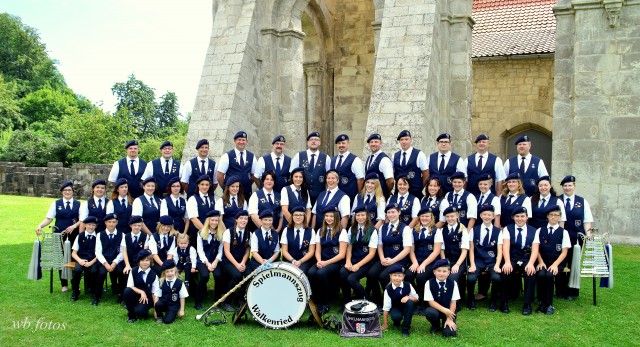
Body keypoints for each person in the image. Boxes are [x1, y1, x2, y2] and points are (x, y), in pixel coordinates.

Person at [35, 181, 81, 292]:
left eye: (69, 190)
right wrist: (40, 226)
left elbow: (82, 220)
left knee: (72, 258)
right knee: (61, 260)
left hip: (74, 236)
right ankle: (64, 284)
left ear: (73, 191)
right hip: (59, 236)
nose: (67, 192)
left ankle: (74, 283)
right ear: (61, 192)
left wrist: (74, 226)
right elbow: (49, 218)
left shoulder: (79, 204)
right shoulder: (56, 204)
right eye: (65, 190)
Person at [367, 203, 412, 306]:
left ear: (399, 212)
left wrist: (393, 261)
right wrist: (382, 258)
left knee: (383, 276)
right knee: (371, 274)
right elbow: (380, 245)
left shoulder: (405, 228)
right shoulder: (383, 227)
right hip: (385, 258)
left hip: (399, 260)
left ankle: (393, 300)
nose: (391, 215)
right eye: (388, 212)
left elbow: (407, 249)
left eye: (393, 212)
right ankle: (377, 300)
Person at [558, 175, 594, 299]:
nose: (567, 188)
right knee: (561, 263)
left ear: (574, 186)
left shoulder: (582, 201)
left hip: (576, 240)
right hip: (561, 239)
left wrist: (588, 235)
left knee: (574, 264)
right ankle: (560, 290)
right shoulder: (557, 200)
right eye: (565, 186)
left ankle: (572, 291)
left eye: (570, 185)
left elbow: (587, 221)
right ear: (562, 187)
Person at [308, 206, 348, 314]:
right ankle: (316, 299)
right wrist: (320, 261)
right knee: (311, 272)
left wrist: (325, 263)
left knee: (321, 273)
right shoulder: (320, 231)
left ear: (336, 218)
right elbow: (317, 250)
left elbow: (342, 254)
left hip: (336, 262)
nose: (329, 218)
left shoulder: (342, 232)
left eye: (331, 216)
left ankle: (324, 303)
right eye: (326, 216)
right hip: (323, 260)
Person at [500, 206, 539, 315]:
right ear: (513, 217)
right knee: (505, 272)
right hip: (512, 257)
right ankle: (504, 302)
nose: (520, 219)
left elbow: (535, 249)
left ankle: (527, 304)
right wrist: (507, 262)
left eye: (522, 216)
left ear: (527, 217)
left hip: (526, 258)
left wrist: (531, 264)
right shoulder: (508, 229)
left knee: (530, 274)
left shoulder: (534, 230)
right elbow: (506, 247)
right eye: (517, 216)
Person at [405, 207, 443, 314]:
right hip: (416, 260)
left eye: (427, 216)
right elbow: (411, 249)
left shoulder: (437, 231)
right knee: (408, 276)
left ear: (431, 217)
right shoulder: (414, 231)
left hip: (431, 262)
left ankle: (424, 302)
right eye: (422, 216)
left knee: (421, 278)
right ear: (419, 218)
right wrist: (415, 263)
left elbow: (436, 251)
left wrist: (423, 264)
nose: (425, 218)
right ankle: (416, 296)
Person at [340, 204, 378, 306]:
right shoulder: (352, 229)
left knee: (351, 279)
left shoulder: (372, 230)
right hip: (353, 259)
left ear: (367, 216)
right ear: (355, 217)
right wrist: (348, 261)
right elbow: (349, 247)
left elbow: (372, 253)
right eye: (358, 215)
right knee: (343, 273)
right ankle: (347, 302)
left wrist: (358, 265)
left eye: (362, 215)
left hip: (366, 262)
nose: (360, 217)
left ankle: (368, 301)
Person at [536, 204, 570, 315]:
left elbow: (564, 251)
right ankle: (541, 303)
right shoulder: (540, 230)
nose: (553, 217)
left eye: (556, 215)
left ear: (560, 217)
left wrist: (555, 264)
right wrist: (540, 261)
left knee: (549, 275)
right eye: (551, 215)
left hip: (557, 262)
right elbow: (536, 249)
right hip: (543, 261)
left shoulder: (564, 232)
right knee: (541, 275)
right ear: (547, 217)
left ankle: (549, 304)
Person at [467, 205, 502, 311]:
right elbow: (471, 249)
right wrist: (472, 264)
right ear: (481, 215)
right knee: (471, 278)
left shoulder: (498, 231)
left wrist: (497, 265)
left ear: (493, 217)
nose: (487, 217)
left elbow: (500, 251)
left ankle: (493, 301)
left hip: (491, 261)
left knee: (496, 278)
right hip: (478, 261)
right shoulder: (474, 230)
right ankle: (471, 299)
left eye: (489, 215)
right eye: (484, 214)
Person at [220, 210, 252, 311]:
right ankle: (226, 301)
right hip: (229, 261)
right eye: (241, 218)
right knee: (237, 275)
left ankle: (239, 298)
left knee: (249, 276)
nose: (243, 220)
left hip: (242, 261)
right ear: (236, 220)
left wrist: (242, 263)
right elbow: (227, 252)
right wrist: (237, 265)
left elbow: (248, 250)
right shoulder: (228, 232)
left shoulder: (249, 233)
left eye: (245, 219)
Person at [439, 206, 469, 308]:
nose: (450, 219)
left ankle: (455, 303)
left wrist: (457, 265)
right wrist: (444, 262)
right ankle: (443, 300)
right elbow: (441, 249)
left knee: (452, 277)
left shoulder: (463, 229)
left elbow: (464, 250)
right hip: (447, 260)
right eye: (447, 217)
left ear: (457, 216)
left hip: (459, 261)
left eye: (452, 216)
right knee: (441, 274)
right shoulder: (442, 230)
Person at [290, 131, 331, 205]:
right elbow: (291, 174)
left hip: (320, 195)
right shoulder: (299, 156)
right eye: (311, 139)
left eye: (316, 139)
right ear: (307, 142)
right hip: (302, 194)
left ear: (320, 143)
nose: (314, 141)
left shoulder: (326, 158)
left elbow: (330, 176)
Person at [195, 210, 225, 310]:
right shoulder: (200, 233)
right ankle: (198, 302)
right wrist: (207, 263)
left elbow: (221, 250)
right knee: (204, 276)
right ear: (208, 221)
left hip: (216, 259)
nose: (214, 222)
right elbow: (200, 251)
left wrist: (216, 261)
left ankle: (217, 301)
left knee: (218, 275)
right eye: (212, 220)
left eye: (216, 220)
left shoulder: (221, 233)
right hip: (203, 260)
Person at [216, 131, 257, 200]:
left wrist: (246, 183)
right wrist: (226, 188)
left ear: (246, 141)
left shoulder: (252, 157)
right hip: (230, 194)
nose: (241, 142)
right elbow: (220, 176)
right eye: (239, 140)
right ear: (235, 141)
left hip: (246, 194)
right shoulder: (227, 156)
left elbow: (254, 176)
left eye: (243, 140)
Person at [381, 264, 419, 338]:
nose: (397, 278)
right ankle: (396, 322)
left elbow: (416, 298)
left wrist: (408, 297)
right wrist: (385, 323)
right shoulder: (388, 289)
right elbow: (386, 307)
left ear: (403, 277)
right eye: (394, 275)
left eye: (399, 276)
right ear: (390, 276)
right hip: (395, 307)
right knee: (396, 316)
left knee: (410, 302)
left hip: (406, 307)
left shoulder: (408, 285)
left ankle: (405, 328)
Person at [424, 258, 459, 337]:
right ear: (434, 272)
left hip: (449, 311)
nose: (441, 273)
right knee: (430, 312)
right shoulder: (428, 283)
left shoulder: (453, 283)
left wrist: (449, 318)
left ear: (449, 273)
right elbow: (430, 301)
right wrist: (444, 310)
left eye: (444, 271)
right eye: (439, 271)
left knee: (449, 334)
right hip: (436, 309)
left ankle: (446, 323)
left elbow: (453, 302)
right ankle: (435, 325)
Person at [96, 213, 125, 305]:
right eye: (109, 222)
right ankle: (97, 296)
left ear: (117, 223)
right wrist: (105, 264)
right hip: (103, 261)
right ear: (105, 223)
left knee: (121, 272)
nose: (111, 224)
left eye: (114, 222)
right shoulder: (100, 235)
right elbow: (98, 252)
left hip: (116, 260)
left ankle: (121, 295)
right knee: (101, 273)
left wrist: (115, 262)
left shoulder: (122, 235)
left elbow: (122, 251)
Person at [70, 216, 99, 303]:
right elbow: (74, 253)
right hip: (81, 259)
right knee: (77, 270)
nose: (91, 227)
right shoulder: (80, 236)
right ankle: (75, 291)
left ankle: (93, 291)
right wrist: (80, 261)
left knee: (94, 271)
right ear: (85, 225)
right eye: (89, 225)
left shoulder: (98, 237)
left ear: (96, 226)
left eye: (93, 225)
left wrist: (91, 262)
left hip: (93, 260)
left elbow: (99, 253)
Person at [123, 249, 158, 323]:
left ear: (150, 261)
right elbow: (130, 286)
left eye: (147, 260)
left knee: (141, 313)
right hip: (136, 295)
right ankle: (131, 316)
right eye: (142, 260)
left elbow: (155, 293)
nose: (144, 262)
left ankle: (139, 308)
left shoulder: (154, 275)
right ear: (139, 261)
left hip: (147, 298)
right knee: (127, 291)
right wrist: (141, 292)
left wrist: (156, 310)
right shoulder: (133, 271)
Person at [280, 206, 316, 274]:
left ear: (304, 216)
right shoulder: (286, 230)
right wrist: (292, 260)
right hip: (289, 260)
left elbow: (311, 251)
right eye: (295, 215)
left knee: (298, 273)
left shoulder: (311, 231)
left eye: (300, 215)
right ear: (292, 217)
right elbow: (284, 250)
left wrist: (300, 261)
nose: (298, 217)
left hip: (304, 261)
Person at [393, 130, 429, 199]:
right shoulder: (395, 156)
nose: (404, 142)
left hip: (415, 193)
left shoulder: (419, 154)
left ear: (411, 139)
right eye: (401, 140)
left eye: (406, 139)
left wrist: (420, 188)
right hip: (399, 193)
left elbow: (426, 174)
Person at [330, 134, 365, 202]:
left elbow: (360, 179)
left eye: (343, 143)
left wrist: (358, 196)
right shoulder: (333, 160)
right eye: (339, 143)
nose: (341, 145)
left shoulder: (355, 160)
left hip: (350, 197)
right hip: (335, 197)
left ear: (348, 144)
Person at [153, 259, 188, 324]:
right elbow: (157, 295)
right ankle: (159, 316)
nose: (170, 273)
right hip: (164, 303)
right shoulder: (161, 282)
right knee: (158, 304)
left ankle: (171, 313)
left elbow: (182, 297)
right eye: (167, 272)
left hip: (173, 305)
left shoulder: (180, 283)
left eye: (171, 271)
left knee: (167, 321)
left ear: (175, 271)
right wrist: (155, 310)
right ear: (164, 273)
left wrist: (182, 310)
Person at [187, 175, 217, 246]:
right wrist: (205, 232)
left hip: (212, 234)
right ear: (198, 185)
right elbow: (193, 218)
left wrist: (212, 232)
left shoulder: (213, 199)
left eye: (207, 185)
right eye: (202, 184)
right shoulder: (192, 199)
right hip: (198, 234)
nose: (204, 187)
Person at [364, 133, 394, 198]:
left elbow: (390, 181)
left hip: (380, 196)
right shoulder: (369, 158)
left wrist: (386, 192)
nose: (373, 144)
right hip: (370, 196)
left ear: (381, 143)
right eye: (371, 142)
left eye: (376, 142)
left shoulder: (384, 159)